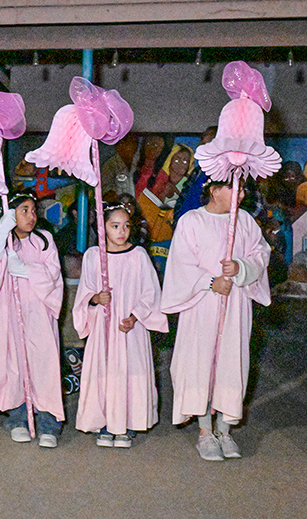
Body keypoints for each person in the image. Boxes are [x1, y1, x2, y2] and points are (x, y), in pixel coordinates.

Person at [161, 179, 271, 461]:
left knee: (231, 362)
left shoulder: (245, 221)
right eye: (236, 189)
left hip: (235, 304)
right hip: (202, 305)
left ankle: (224, 429)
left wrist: (241, 267)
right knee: (200, 363)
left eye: (244, 189)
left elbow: (261, 253)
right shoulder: (192, 221)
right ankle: (204, 432)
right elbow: (180, 264)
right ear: (214, 190)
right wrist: (210, 282)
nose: (242, 195)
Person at [0, 193, 65, 448]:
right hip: (9, 315)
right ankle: (18, 419)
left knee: (43, 366)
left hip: (38, 316)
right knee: (14, 365)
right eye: (24, 210)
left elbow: (54, 276)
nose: (31, 216)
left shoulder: (44, 241)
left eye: (33, 210)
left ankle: (48, 423)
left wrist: (26, 269)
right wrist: (1, 237)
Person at [73, 202, 168, 447]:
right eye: (115, 226)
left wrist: (135, 316)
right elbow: (85, 291)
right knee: (105, 372)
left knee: (129, 371)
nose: (121, 231)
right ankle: (105, 422)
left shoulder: (138, 256)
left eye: (126, 226)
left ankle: (126, 422)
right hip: (103, 330)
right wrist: (95, 299)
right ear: (103, 227)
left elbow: (150, 292)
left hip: (129, 329)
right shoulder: (94, 256)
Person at [100, 133, 139, 199]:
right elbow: (106, 190)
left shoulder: (137, 163)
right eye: (128, 143)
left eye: (135, 143)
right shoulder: (110, 164)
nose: (133, 146)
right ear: (119, 146)